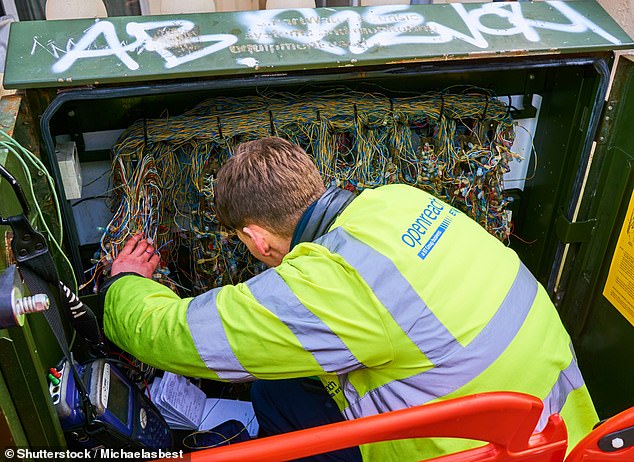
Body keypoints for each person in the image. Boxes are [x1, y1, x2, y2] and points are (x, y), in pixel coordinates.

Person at [103, 137, 598, 461]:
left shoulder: (332, 285)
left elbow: (180, 335)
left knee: (273, 391)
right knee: (290, 385)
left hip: (476, 452)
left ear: (255, 240)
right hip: (565, 428)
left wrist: (122, 284)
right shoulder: (399, 201)